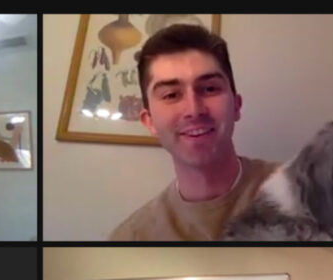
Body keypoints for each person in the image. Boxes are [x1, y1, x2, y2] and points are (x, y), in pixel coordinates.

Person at [110, 24, 279, 241]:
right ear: (149, 121)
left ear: (236, 106)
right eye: (171, 95)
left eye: (209, 89)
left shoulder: (309, 193)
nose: (194, 110)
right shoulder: (131, 239)